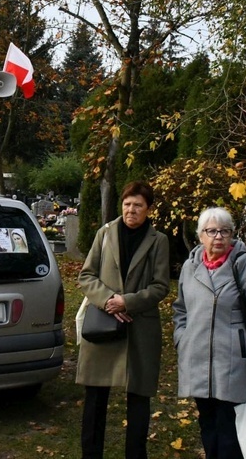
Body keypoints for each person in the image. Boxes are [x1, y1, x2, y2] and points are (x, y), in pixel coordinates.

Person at [173, 207, 246, 459]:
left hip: (233, 362)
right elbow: (180, 309)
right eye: (211, 231)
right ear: (201, 236)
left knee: (230, 430)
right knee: (208, 426)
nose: (218, 237)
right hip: (197, 360)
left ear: (232, 235)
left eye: (224, 231)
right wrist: (182, 339)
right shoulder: (190, 268)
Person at [76, 181, 170, 459]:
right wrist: (108, 300)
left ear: (148, 209)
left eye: (138, 205)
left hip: (139, 327)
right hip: (103, 325)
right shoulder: (104, 234)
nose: (131, 210)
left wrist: (127, 301)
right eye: (128, 204)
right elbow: (86, 275)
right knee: (95, 399)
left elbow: (160, 285)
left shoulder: (159, 241)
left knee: (139, 399)